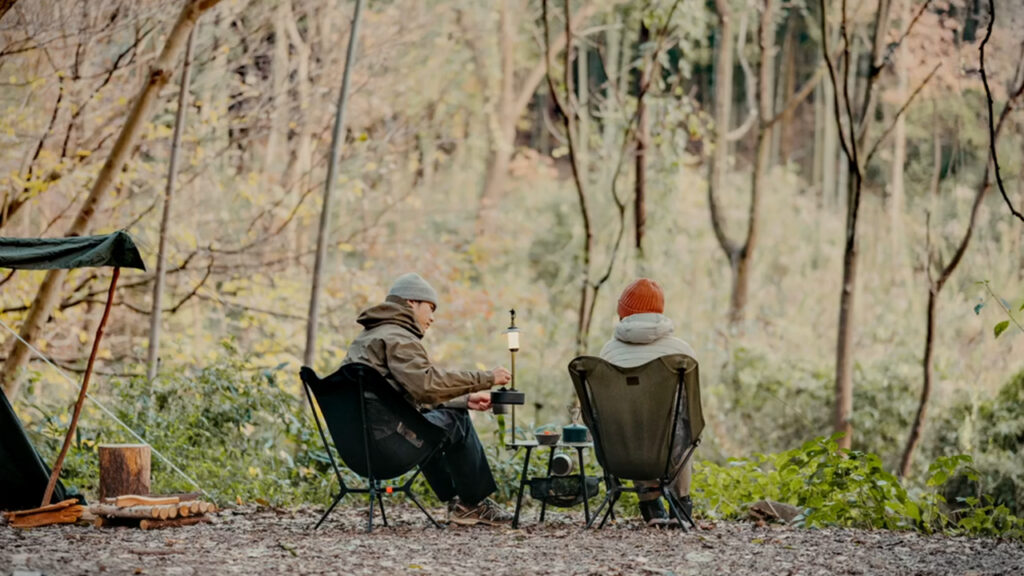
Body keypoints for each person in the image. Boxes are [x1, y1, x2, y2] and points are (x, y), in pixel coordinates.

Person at [342, 273, 514, 526]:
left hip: (359, 446)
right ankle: (471, 504)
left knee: (429, 424)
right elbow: (426, 385)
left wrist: (464, 399)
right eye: (430, 308)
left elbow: (401, 397)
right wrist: (486, 377)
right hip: (388, 446)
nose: (432, 317)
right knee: (456, 421)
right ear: (411, 303)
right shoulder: (397, 337)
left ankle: (458, 501)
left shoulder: (368, 338)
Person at [599, 278, 696, 527]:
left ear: (624, 312)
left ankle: (650, 504)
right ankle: (681, 504)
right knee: (680, 424)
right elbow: (691, 410)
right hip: (670, 449)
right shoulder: (681, 353)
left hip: (622, 449)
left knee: (632, 422)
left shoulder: (608, 352)